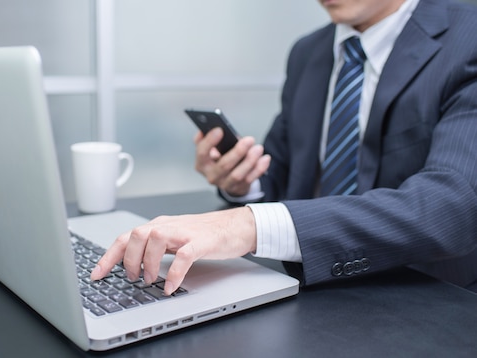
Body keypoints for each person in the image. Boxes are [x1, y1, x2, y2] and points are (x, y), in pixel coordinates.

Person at [92, 0, 477, 295]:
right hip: (306, 284)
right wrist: (243, 185)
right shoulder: (309, 51)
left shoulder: (468, 37)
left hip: (426, 294)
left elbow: (451, 207)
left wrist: (245, 224)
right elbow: (282, 177)